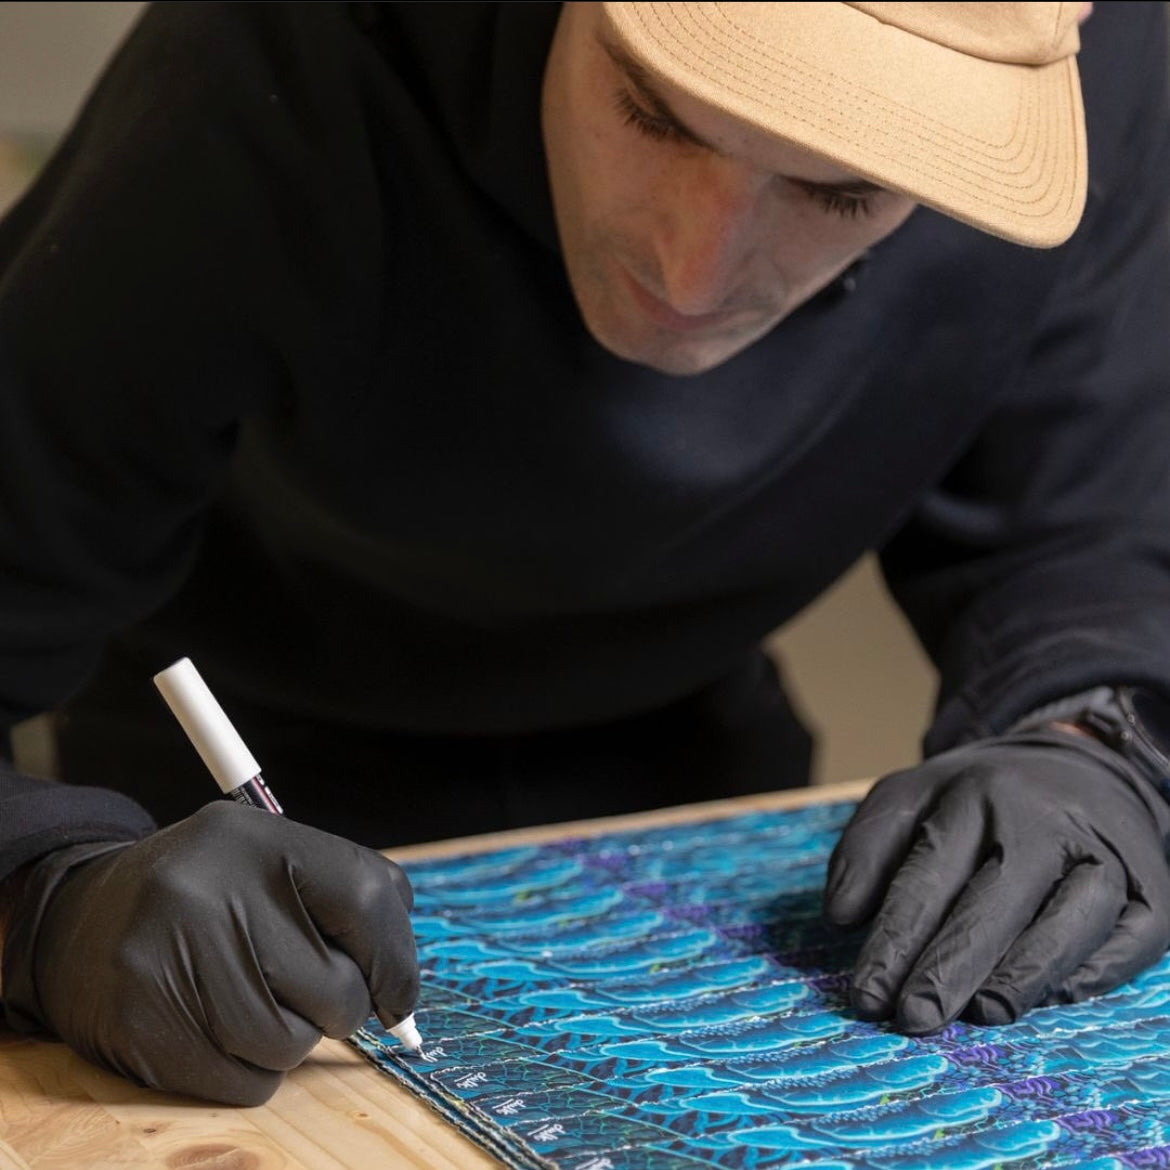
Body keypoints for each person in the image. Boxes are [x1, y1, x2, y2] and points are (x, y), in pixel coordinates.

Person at [0, 0, 1168, 1107]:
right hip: (222, 812)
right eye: (654, 111)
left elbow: (1082, 521)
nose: (691, 274)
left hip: (685, 767)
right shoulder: (280, 68)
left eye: (841, 189)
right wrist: (42, 901)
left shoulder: (1069, 61)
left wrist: (1092, 742)